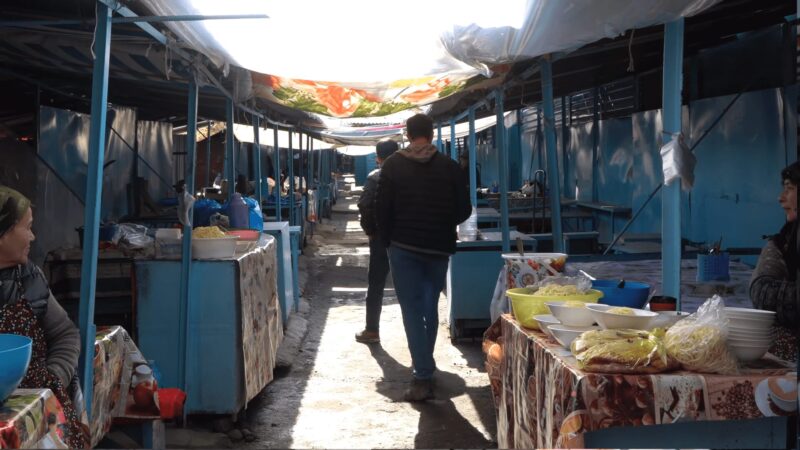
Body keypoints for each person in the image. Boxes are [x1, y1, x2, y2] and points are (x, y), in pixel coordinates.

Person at [376, 114, 471, 401]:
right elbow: (464, 210)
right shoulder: (450, 167)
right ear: (431, 134)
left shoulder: (393, 165)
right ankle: (425, 368)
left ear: (407, 134)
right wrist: (443, 224)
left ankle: (422, 375)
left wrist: (389, 239)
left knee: (412, 311)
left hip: (403, 248)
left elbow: (382, 209)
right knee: (430, 308)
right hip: (438, 248)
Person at [0, 186, 88, 448]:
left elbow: (66, 334)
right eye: (27, 227)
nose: (33, 236)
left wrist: (53, 379)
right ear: (2, 233)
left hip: (38, 411)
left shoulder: (28, 277)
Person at [749, 161, 798, 362]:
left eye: (790, 189)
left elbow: (765, 294)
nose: (781, 198)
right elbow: (761, 290)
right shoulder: (786, 240)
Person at [354, 140, 399, 344]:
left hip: (381, 238)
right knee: (409, 285)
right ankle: (417, 334)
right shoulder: (408, 175)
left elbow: (364, 205)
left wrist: (370, 230)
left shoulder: (374, 177)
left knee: (376, 283)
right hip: (407, 238)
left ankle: (372, 330)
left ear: (378, 157)